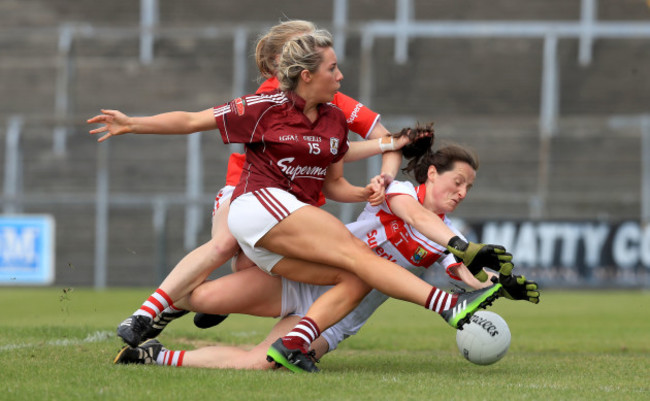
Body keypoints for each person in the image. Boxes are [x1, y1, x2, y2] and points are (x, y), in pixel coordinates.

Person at [91, 28, 512, 373]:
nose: (342, 75)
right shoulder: (263, 106)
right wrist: (134, 124)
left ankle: (162, 354)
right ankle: (448, 308)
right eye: (333, 68)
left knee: (347, 281)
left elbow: (335, 177)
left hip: (291, 224)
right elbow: (190, 120)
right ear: (307, 75)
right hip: (256, 203)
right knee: (345, 256)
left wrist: (375, 173)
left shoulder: (332, 119)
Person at [87, 20, 415, 347]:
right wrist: (133, 124)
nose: (317, 53)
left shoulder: (331, 101)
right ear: (286, 63)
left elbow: (360, 144)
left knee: (254, 268)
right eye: (304, 46)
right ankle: (149, 312)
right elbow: (191, 120)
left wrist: (384, 175)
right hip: (247, 193)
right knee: (226, 244)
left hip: (293, 205)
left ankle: (201, 304)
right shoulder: (268, 101)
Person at [113, 139, 540, 370]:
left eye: (469, 188)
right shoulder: (400, 192)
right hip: (308, 280)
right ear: (432, 173)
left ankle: (154, 356)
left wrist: (496, 287)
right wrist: (462, 249)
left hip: (337, 320)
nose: (462, 193)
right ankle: (165, 306)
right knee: (205, 298)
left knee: (261, 364)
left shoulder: (452, 238)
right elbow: (414, 216)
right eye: (458, 182)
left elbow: (464, 280)